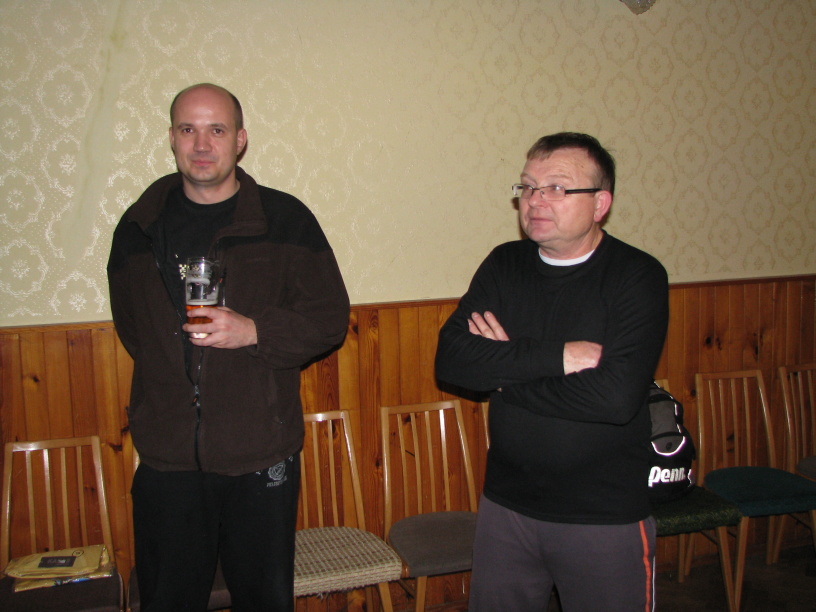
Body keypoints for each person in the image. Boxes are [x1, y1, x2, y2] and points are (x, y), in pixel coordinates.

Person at [107, 83, 350, 611]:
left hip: (260, 455)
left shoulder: (287, 220)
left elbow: (330, 321)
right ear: (172, 138)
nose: (201, 144)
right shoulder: (138, 227)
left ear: (240, 140)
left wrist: (255, 331)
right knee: (167, 600)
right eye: (188, 129)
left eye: (216, 129)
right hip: (168, 459)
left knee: (264, 601)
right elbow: (134, 330)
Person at [435, 132, 668, 611]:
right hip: (506, 507)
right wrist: (559, 358)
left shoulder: (637, 275)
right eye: (527, 187)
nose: (535, 200)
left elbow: (615, 398)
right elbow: (451, 361)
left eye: (557, 188)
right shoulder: (505, 263)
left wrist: (502, 376)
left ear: (600, 204)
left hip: (603, 516)